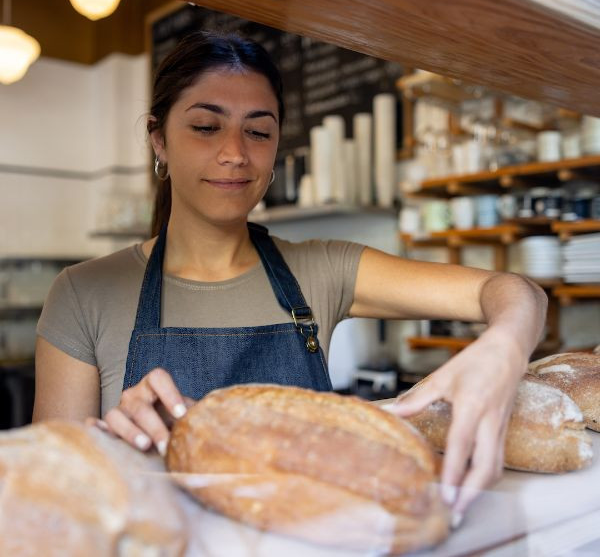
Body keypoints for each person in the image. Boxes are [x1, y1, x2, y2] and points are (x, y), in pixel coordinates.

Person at [33, 31, 547, 522]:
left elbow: (509, 291)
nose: (235, 152)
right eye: (206, 126)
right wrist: (113, 450)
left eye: (258, 131)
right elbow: (51, 500)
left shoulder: (322, 269)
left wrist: (504, 346)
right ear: (158, 140)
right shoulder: (85, 292)